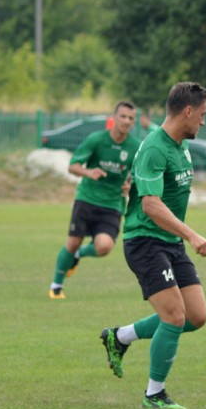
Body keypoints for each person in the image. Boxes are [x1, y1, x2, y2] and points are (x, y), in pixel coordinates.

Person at [100, 82, 206, 409]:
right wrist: (193, 235)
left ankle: (119, 337)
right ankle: (154, 395)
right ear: (188, 111)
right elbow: (150, 205)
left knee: (195, 316)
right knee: (174, 316)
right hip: (145, 241)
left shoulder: (181, 146)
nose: (204, 123)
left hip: (170, 242)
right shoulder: (155, 147)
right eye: (203, 115)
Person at [48, 101, 141, 300]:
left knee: (104, 247)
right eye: (123, 116)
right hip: (87, 199)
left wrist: (130, 185)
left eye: (131, 118)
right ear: (114, 118)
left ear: (134, 122)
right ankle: (56, 285)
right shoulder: (96, 140)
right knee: (72, 242)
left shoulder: (135, 147)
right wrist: (89, 172)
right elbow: (73, 166)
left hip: (113, 204)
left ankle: (78, 255)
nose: (126, 121)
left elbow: (138, 174)